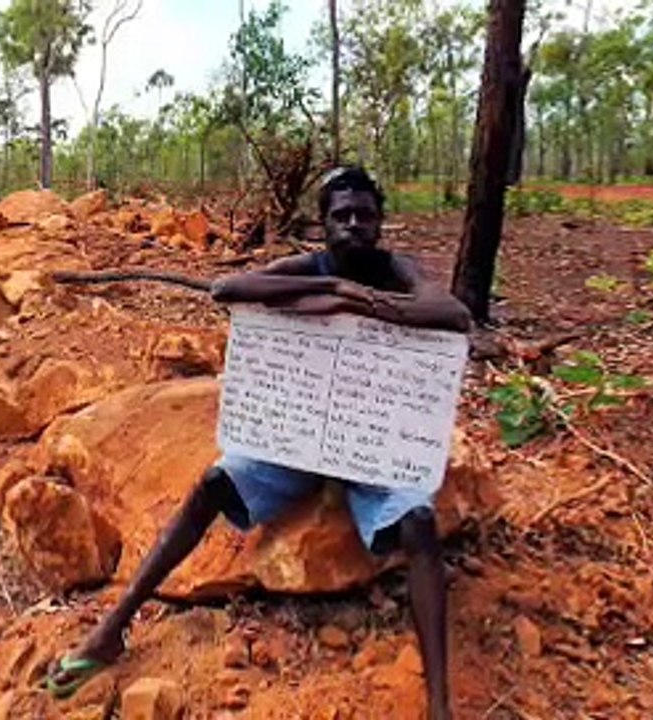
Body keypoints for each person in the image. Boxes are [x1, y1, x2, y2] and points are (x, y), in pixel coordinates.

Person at [43, 166, 471, 720]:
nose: (354, 225)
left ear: (380, 221)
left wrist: (368, 304)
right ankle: (111, 628)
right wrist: (333, 288)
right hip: (296, 437)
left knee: (418, 523)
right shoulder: (311, 267)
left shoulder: (397, 270)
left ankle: (439, 706)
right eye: (341, 216)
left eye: (365, 215)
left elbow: (454, 313)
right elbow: (229, 289)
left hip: (373, 439)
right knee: (213, 483)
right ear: (323, 224)